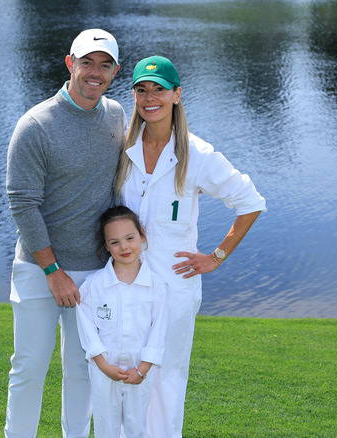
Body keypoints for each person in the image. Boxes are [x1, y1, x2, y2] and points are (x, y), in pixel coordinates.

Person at [115, 55, 267, 437]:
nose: (151, 97)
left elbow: (250, 202)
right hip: (125, 286)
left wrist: (216, 257)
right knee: (123, 378)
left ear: (177, 95)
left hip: (174, 288)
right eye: (142, 90)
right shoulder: (122, 147)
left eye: (160, 90)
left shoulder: (197, 155)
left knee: (165, 382)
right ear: (134, 95)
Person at [4, 29, 126, 438]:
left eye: (104, 65)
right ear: (70, 63)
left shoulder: (116, 116)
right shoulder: (35, 125)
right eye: (87, 62)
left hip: (93, 273)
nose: (95, 72)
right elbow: (22, 203)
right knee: (29, 366)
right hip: (40, 269)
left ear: (115, 72)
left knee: (83, 368)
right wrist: (53, 270)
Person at [75, 205, 168, 438]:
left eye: (130, 238)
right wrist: (103, 365)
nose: (124, 247)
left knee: (136, 427)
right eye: (115, 242)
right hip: (104, 369)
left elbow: (159, 331)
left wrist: (143, 369)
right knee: (106, 427)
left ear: (142, 236)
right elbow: (87, 329)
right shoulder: (93, 285)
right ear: (107, 246)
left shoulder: (156, 286)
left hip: (140, 369)